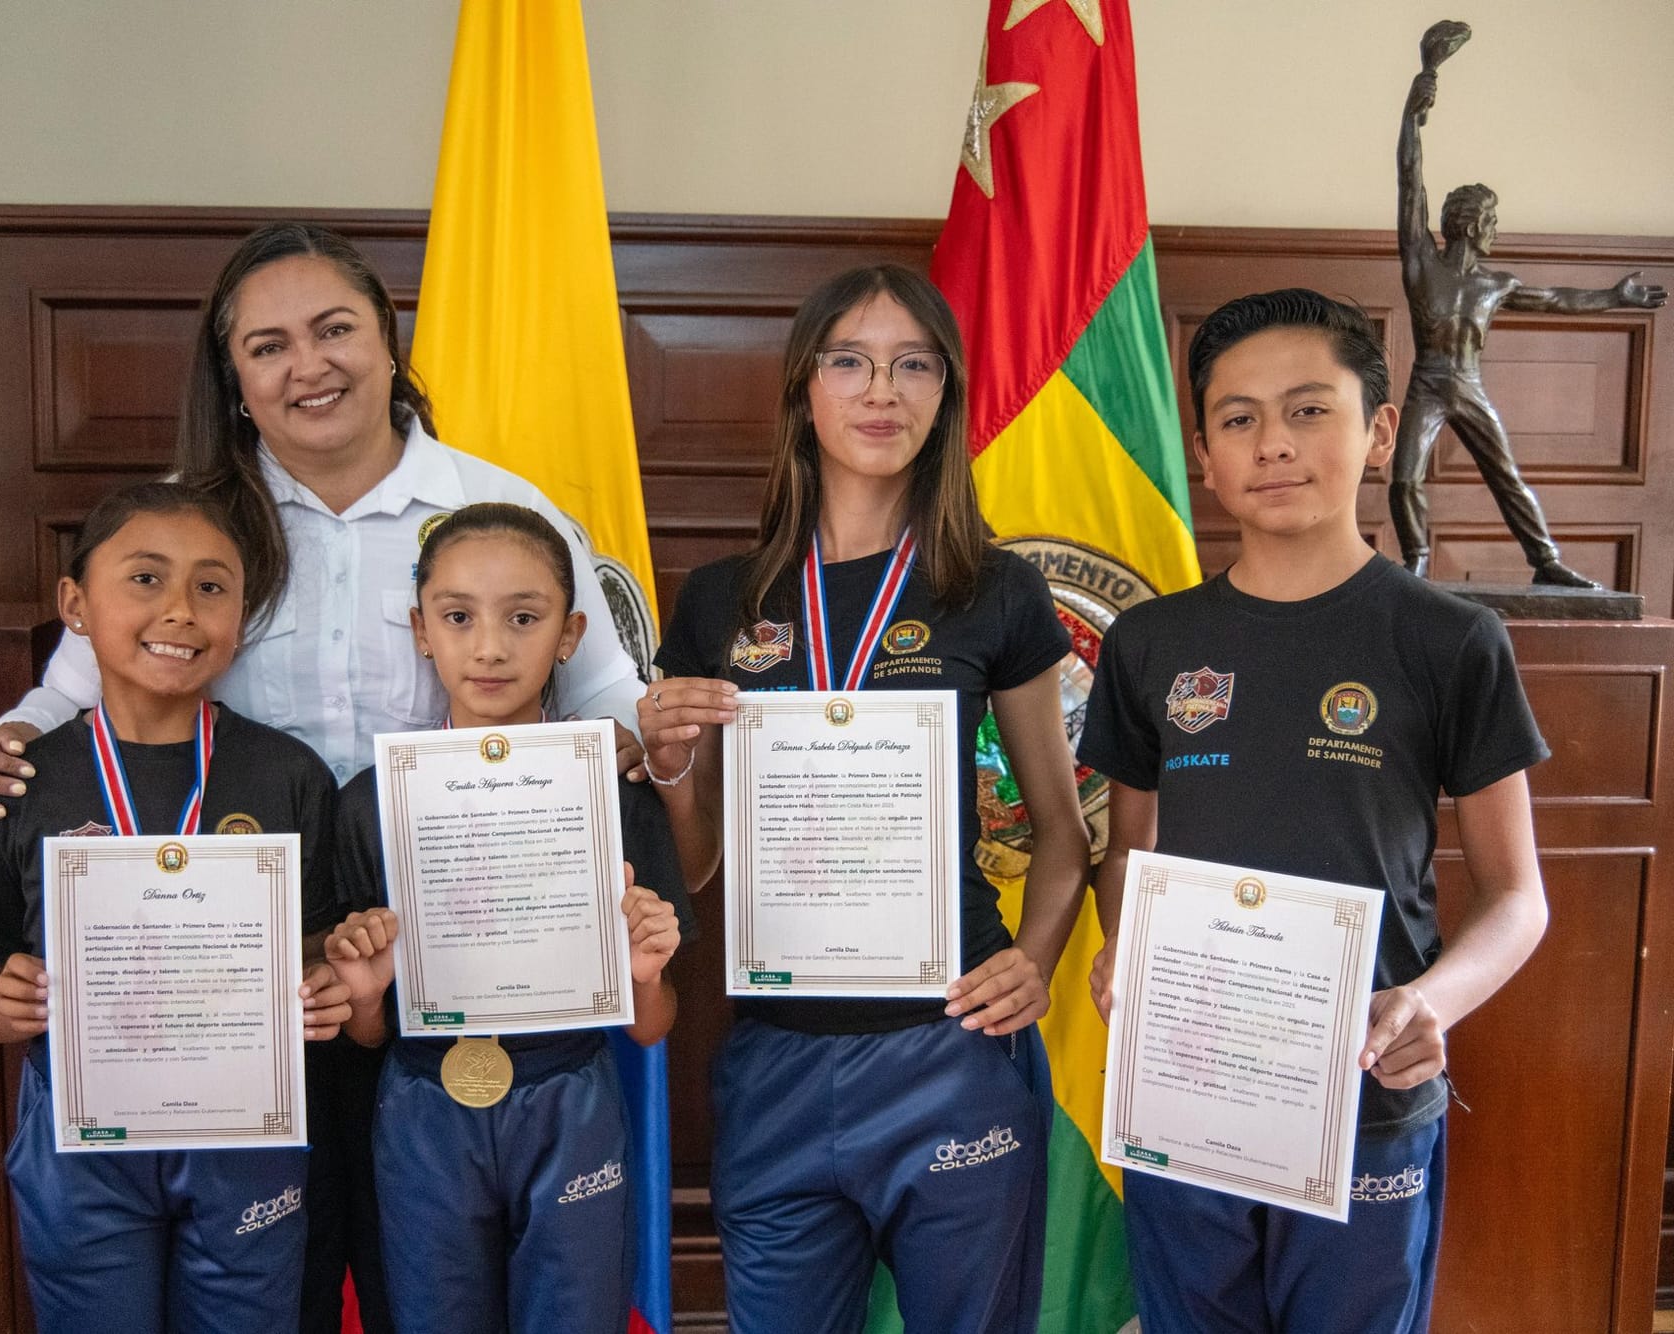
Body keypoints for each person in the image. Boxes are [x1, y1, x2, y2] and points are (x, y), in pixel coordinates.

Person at [0, 222, 648, 1334]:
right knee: (286, 1288)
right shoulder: (193, 526)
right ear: (233, 377)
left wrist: (665, 755)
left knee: (442, 1295)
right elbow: (72, 689)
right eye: (266, 345)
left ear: (386, 339)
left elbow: (608, 712)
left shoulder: (505, 509)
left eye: (333, 330)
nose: (305, 364)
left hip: (447, 965)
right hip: (251, 980)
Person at [1081, 288, 1550, 1334]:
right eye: (1237, 417)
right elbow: (1132, 847)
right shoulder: (1149, 643)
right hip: (1187, 1089)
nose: (1272, 443)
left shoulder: (1447, 639)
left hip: (1364, 1098)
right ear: (1202, 451)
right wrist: (1126, 948)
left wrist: (1430, 1002)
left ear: (1378, 431)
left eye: (1307, 409)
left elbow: (1518, 896)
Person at [641, 264, 1090, 1334]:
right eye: (847, 359)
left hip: (948, 1044)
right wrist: (664, 761)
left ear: (944, 397)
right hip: (775, 1049)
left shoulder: (993, 589)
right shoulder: (721, 599)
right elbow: (694, 866)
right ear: (804, 390)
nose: (878, 388)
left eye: (911, 363)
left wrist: (1032, 958)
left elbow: (1063, 833)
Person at [0, 481, 356, 1332]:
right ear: (76, 605)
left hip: (249, 1137)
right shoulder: (18, 783)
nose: (180, 610)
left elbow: (323, 962)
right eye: (145, 579)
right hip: (82, 1143)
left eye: (212, 586)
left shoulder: (287, 774)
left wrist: (325, 992)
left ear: (243, 613)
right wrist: (8, 1002)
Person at [322, 502, 695, 1334]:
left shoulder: (613, 789)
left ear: (568, 635)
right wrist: (365, 994)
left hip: (571, 1095)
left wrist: (641, 975)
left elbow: (650, 1027)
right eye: (459, 617)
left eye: (523, 618)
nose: (489, 647)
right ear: (423, 630)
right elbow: (367, 1037)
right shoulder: (368, 802)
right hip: (422, 1103)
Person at [1391, 20, 1666, 586]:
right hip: (1427, 382)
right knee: (1404, 479)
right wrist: (1418, 97)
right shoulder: (1421, 262)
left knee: (1506, 477)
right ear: (1471, 224)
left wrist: (1614, 298)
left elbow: (1558, 299)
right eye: (1490, 221)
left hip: (1466, 384)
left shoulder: (1496, 285)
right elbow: (1409, 177)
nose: (1495, 230)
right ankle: (1415, 559)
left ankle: (1546, 562)